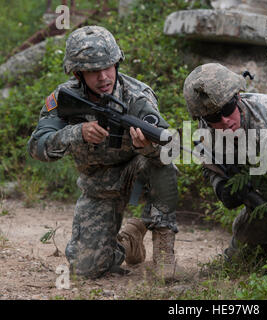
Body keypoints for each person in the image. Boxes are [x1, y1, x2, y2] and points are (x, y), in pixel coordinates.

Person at [28, 26, 179, 279]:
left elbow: (170, 150)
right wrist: (76, 133)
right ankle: (128, 240)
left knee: (161, 165)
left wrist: (149, 147)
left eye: (108, 66)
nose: (104, 76)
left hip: (136, 178)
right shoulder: (63, 99)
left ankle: (164, 253)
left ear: (117, 63)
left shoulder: (137, 96)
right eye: (93, 71)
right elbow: (37, 147)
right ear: (78, 73)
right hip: (97, 187)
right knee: (85, 269)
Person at [183, 63, 267, 263]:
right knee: (237, 259)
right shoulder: (207, 129)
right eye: (214, 116)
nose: (225, 120)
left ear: (238, 97)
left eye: (227, 108)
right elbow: (212, 169)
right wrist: (225, 188)